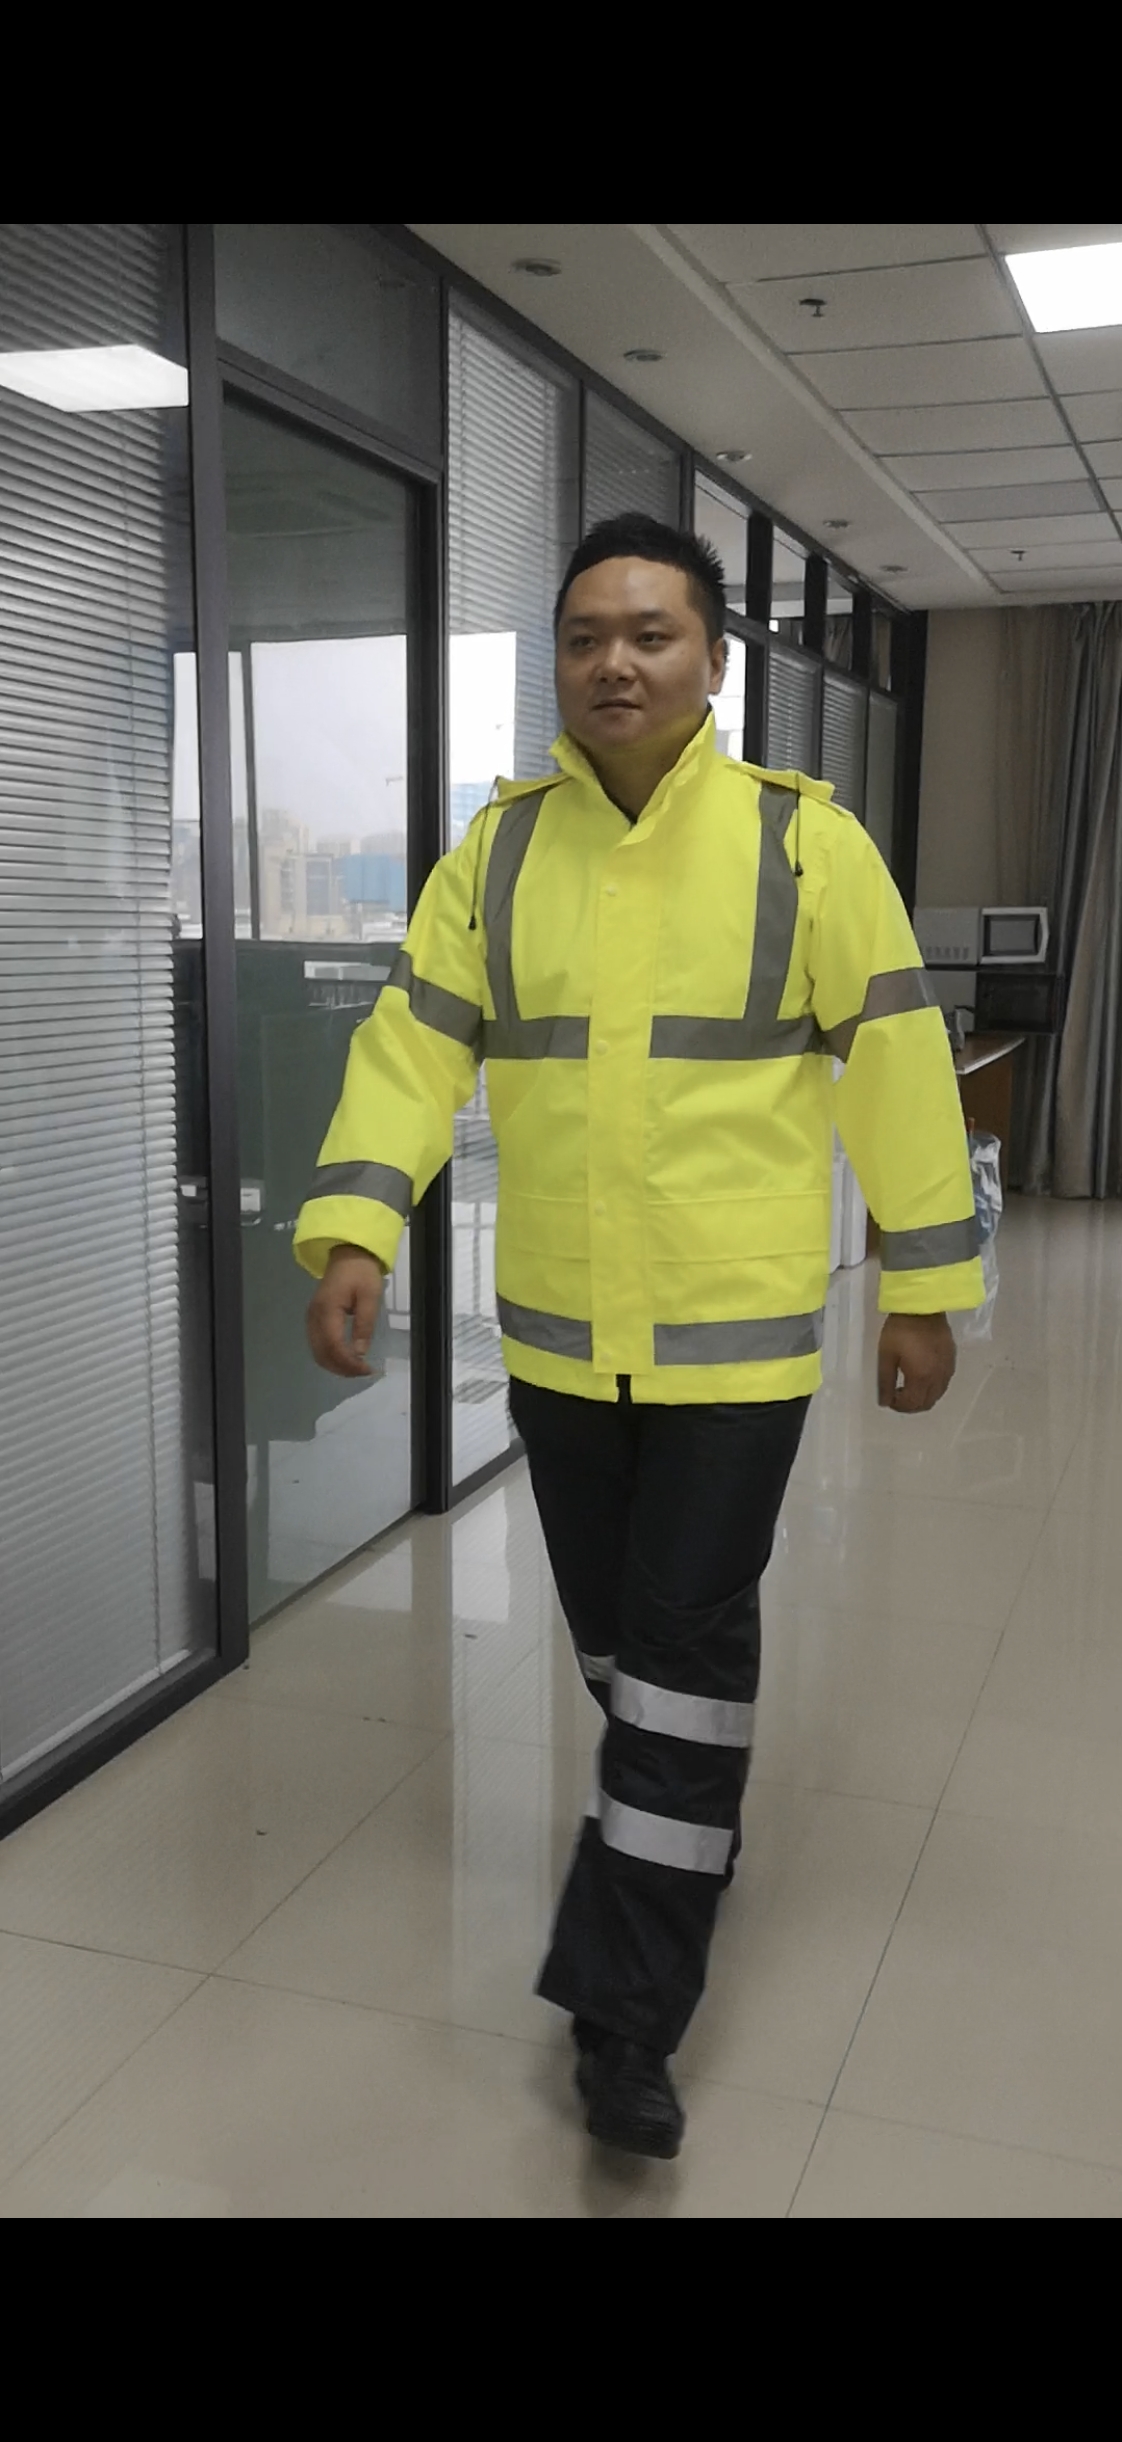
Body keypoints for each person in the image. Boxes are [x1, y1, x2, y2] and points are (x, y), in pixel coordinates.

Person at [295, 513, 983, 2162]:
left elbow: (897, 1058)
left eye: (651, 634)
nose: (615, 662)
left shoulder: (803, 845)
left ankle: (624, 2021)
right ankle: (675, 1821)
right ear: (560, 660)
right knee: (623, 1653)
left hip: (732, 1345)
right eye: (586, 636)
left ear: (711, 661)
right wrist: (358, 1226)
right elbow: (412, 1046)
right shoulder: (499, 853)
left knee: (679, 1650)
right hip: (558, 1339)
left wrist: (922, 1283)